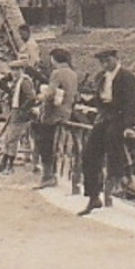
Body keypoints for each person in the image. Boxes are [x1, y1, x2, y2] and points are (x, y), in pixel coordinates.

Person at [79, 48, 135, 215]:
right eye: (102, 62)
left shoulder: (126, 77)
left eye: (107, 61)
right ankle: (93, 196)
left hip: (119, 117)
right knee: (88, 153)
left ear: (116, 58)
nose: (105, 65)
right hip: (104, 116)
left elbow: (132, 103)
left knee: (113, 146)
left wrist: (129, 126)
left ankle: (118, 181)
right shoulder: (101, 77)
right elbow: (98, 99)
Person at [33, 48, 81, 189]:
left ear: (54, 59)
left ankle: (48, 176)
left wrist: (40, 97)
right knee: (59, 145)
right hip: (66, 112)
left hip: (52, 114)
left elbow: (50, 93)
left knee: (45, 145)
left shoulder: (57, 73)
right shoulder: (73, 74)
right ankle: (58, 175)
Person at [0, 60, 41, 174]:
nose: (14, 72)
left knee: (12, 139)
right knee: (8, 138)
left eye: (16, 70)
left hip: (20, 113)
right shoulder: (16, 81)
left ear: (22, 70)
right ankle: (3, 163)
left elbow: (31, 97)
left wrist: (23, 110)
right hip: (14, 111)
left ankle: (9, 165)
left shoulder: (25, 82)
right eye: (12, 70)